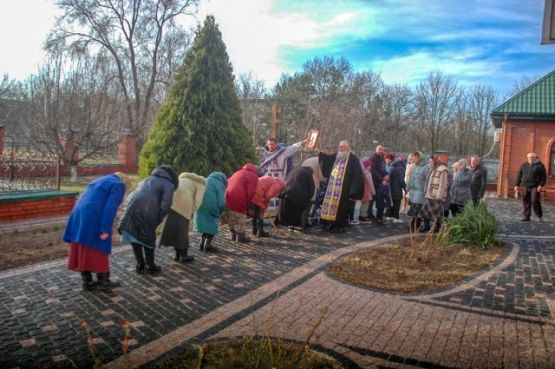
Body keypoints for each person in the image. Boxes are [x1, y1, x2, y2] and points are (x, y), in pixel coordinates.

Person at [64, 172, 130, 291]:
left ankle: (87, 282)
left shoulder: (98, 180)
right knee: (99, 247)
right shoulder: (119, 185)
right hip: (94, 217)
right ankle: (103, 282)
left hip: (78, 214)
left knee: (82, 246)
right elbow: (111, 208)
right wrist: (105, 228)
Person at [118, 165, 178, 274]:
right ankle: (151, 266)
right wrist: (158, 218)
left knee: (134, 236)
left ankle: (140, 264)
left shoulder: (147, 179)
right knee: (148, 237)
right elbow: (166, 204)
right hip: (147, 211)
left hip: (130, 207)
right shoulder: (169, 184)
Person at [159, 172, 207, 263]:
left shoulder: (182, 179)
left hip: (171, 203)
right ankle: (183, 256)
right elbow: (198, 201)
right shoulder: (201, 183)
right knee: (182, 231)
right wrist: (190, 212)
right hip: (184, 204)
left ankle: (177, 255)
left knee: (175, 230)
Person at [318, 140, 364, 233]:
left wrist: (353, 191)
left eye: (342, 147)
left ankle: (339, 226)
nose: (340, 148)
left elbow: (357, 176)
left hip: (343, 190)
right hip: (331, 189)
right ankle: (328, 223)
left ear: (347, 147)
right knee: (328, 206)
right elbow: (327, 162)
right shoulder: (336, 156)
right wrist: (321, 155)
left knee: (341, 209)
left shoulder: (353, 159)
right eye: (339, 146)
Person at [194, 172, 228, 253]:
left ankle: (201, 244)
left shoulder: (206, 180)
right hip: (211, 206)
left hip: (199, 205)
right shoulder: (220, 184)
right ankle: (207, 245)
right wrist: (219, 212)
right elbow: (221, 202)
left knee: (205, 225)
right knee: (212, 225)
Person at [225, 163, 259, 243]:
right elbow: (251, 192)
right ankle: (241, 237)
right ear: (256, 170)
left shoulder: (239, 172)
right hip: (239, 195)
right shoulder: (253, 176)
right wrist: (248, 203)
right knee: (240, 214)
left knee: (232, 213)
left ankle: (233, 234)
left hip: (227, 193)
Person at [278, 166, 315, 231]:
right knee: (306, 206)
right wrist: (309, 197)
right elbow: (311, 188)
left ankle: (290, 225)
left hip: (287, 194)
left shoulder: (294, 170)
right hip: (298, 196)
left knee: (290, 212)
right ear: (310, 171)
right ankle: (300, 225)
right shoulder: (307, 174)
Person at [419, 155, 449, 232]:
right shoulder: (432, 168)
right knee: (425, 211)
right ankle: (426, 226)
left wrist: (439, 196)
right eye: (429, 162)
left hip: (436, 196)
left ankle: (437, 228)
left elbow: (443, 184)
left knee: (436, 214)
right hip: (429, 194)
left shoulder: (443, 170)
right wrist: (426, 191)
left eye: (431, 162)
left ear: (436, 161)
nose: (430, 163)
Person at [514, 152, 547, 222]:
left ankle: (539, 216)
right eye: (529, 157)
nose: (531, 158)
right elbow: (519, 175)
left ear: (535, 158)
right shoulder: (524, 165)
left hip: (535, 186)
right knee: (525, 200)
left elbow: (543, 177)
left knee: (534, 200)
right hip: (525, 185)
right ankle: (527, 216)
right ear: (527, 158)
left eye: (532, 157)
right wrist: (517, 185)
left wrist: (540, 185)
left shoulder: (540, 165)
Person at [407, 151, 430, 231]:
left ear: (420, 157)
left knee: (418, 210)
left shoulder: (426, 166)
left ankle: (416, 225)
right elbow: (410, 177)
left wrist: (426, 190)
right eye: (413, 157)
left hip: (421, 192)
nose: (414, 159)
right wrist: (408, 187)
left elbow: (428, 180)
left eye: (416, 157)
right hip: (413, 192)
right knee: (414, 209)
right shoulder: (414, 166)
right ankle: (414, 224)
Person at [369, 144, 389, 223]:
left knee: (380, 201)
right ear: (376, 150)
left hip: (380, 183)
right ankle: (370, 215)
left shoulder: (381, 158)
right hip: (374, 183)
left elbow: (382, 170)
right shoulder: (373, 158)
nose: (381, 151)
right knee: (372, 201)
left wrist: (386, 175)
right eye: (379, 149)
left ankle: (378, 217)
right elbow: (373, 172)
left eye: (382, 149)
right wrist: (382, 180)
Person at [387, 155, 406, 223]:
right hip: (397, 188)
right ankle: (396, 218)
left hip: (391, 187)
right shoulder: (401, 168)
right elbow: (401, 180)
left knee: (393, 203)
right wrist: (405, 188)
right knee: (397, 203)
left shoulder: (393, 167)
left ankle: (390, 216)